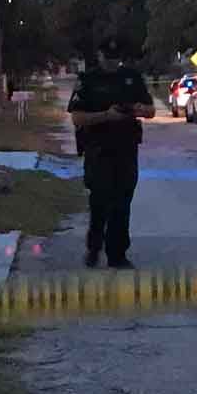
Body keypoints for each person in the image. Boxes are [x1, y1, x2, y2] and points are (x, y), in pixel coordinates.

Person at [67, 54, 155, 269]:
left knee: (122, 203)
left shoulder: (132, 78)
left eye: (116, 56)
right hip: (98, 149)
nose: (113, 61)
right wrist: (106, 115)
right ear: (99, 55)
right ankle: (94, 247)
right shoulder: (88, 79)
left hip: (126, 149)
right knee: (99, 201)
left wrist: (136, 110)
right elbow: (77, 117)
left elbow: (150, 110)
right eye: (108, 56)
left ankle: (117, 254)